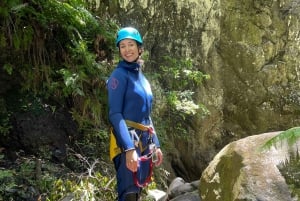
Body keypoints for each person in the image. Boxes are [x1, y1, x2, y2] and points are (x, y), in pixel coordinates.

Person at [107, 27, 163, 201]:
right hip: (127, 140)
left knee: (137, 190)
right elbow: (115, 114)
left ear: (140, 48)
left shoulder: (142, 79)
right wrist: (128, 148)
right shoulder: (119, 76)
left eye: (131, 44)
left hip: (144, 140)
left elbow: (147, 116)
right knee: (128, 192)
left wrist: (156, 144)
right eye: (122, 46)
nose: (127, 49)